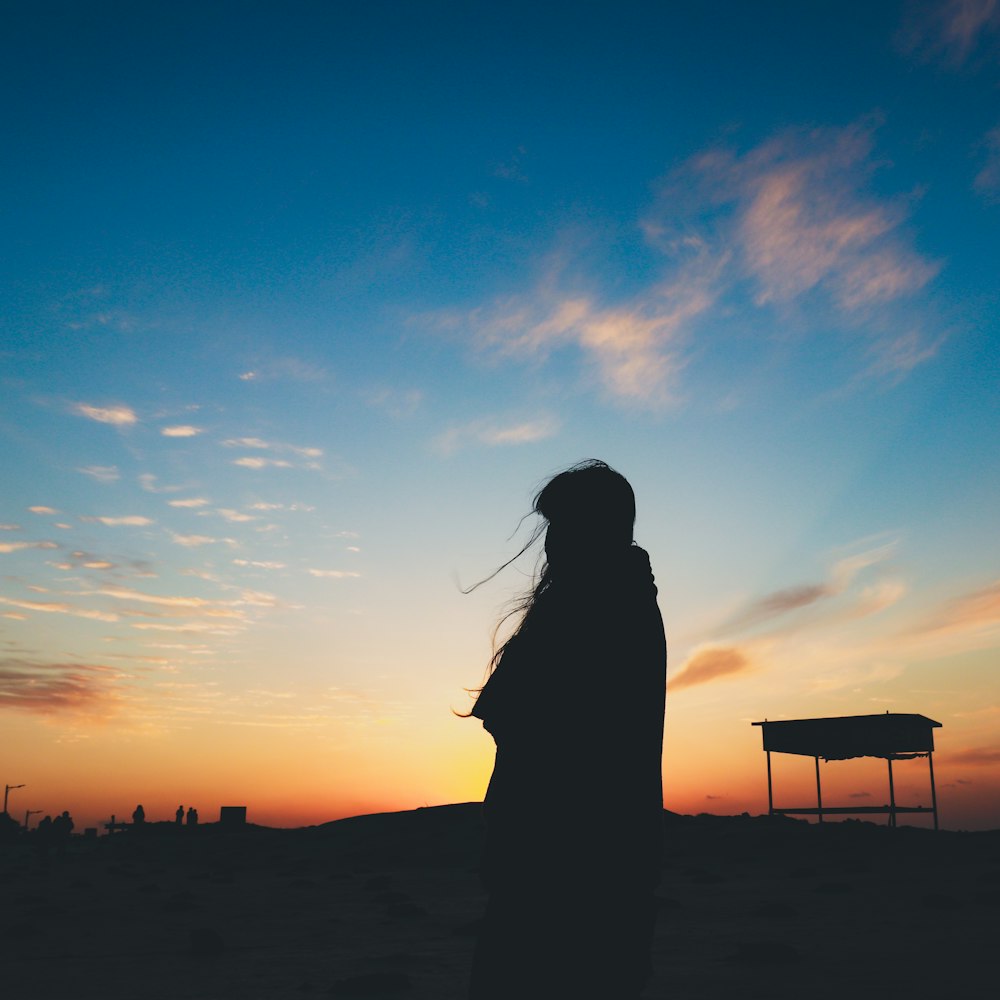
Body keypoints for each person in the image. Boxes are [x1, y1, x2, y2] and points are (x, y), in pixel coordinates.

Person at [466, 460, 667, 1000]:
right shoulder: (610, 599)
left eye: (564, 527)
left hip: (567, 873)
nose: (552, 545)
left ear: (596, 530)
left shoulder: (596, 606)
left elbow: (524, 723)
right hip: (582, 867)